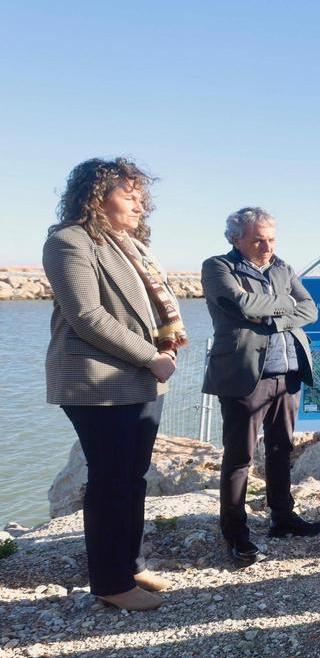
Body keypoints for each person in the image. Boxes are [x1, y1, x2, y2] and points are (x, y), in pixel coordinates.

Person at [44, 158, 185, 610]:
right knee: (111, 481)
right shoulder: (69, 242)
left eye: (142, 196)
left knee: (132, 478)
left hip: (138, 380)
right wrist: (151, 356)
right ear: (96, 196)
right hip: (97, 381)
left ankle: (130, 563)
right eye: (130, 195)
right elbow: (87, 317)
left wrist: (157, 357)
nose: (140, 204)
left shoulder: (128, 245)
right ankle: (110, 583)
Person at [201, 207, 320, 568]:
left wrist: (273, 311)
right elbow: (242, 304)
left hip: (287, 374)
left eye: (271, 239)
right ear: (235, 239)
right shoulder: (217, 267)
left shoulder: (282, 267)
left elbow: (311, 309)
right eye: (258, 239)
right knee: (239, 456)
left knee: (281, 447)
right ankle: (236, 534)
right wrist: (285, 307)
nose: (267, 246)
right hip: (244, 376)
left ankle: (282, 517)